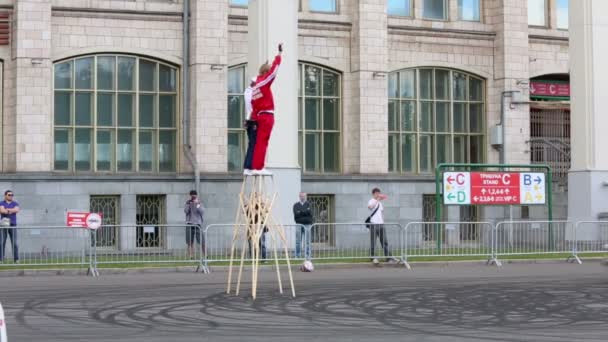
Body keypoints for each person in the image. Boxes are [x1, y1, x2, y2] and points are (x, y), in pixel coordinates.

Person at [250, 43, 283, 175]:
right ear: (264, 72)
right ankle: (259, 167)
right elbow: (274, 71)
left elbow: (253, 104)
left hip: (260, 116)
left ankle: (257, 165)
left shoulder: (255, 86)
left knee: (260, 141)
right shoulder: (263, 82)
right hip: (267, 115)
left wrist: (255, 118)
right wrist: (279, 55)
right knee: (263, 141)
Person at [367, 188, 396, 265]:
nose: (378, 195)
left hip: (381, 225)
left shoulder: (380, 203)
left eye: (379, 193)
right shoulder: (372, 201)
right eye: (377, 193)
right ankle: (373, 258)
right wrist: (377, 200)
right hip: (373, 224)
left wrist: (383, 222)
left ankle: (388, 258)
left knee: (384, 242)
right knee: (373, 242)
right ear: (373, 194)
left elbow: (382, 213)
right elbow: (370, 207)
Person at [243, 77, 258, 176]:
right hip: (253, 120)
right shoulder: (253, 93)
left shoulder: (247, 91)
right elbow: (254, 107)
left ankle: (248, 165)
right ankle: (250, 165)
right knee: (254, 144)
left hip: (249, 120)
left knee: (252, 144)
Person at [0, 190, 20, 264]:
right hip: (4, 224)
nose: (11, 196)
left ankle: (16, 259)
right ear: (5, 195)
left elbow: (17, 210)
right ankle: (1, 259)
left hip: (13, 224)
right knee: (2, 242)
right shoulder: (1, 203)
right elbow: (2, 211)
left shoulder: (15, 203)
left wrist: (7, 210)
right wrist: (11, 210)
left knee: (14, 243)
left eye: (12, 195)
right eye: (9, 195)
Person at [184, 190, 205, 259]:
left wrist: (197, 204)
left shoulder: (199, 203)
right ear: (190, 196)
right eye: (191, 195)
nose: (193, 197)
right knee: (189, 241)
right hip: (189, 223)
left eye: (194, 195)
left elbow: (202, 212)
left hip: (198, 224)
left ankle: (205, 254)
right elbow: (186, 212)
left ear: (196, 195)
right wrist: (188, 204)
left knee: (202, 240)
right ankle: (191, 256)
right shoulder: (188, 203)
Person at [293, 192, 313, 260]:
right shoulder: (296, 205)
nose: (302, 197)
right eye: (301, 196)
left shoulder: (309, 204)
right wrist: (305, 212)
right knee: (298, 241)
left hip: (308, 225)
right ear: (299, 196)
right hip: (299, 224)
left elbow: (310, 214)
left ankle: (308, 255)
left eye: (304, 196)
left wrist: (300, 212)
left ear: (306, 196)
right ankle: (297, 255)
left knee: (307, 241)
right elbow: (296, 215)